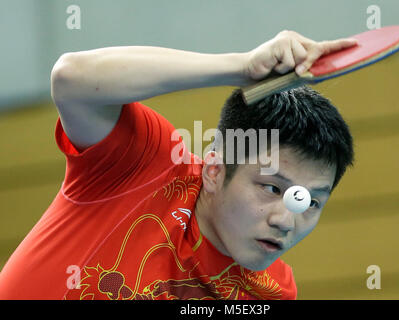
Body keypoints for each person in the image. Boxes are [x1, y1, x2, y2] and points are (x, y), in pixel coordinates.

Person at [0, 30, 355, 300]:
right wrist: (241, 67)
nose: (286, 221)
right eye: (272, 188)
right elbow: (70, 79)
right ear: (214, 169)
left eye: (310, 202)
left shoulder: (268, 292)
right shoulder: (144, 163)